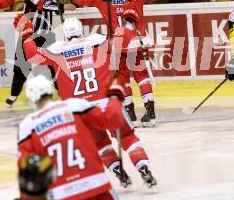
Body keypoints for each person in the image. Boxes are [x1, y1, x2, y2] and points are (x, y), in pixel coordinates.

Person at [15, 15, 158, 188]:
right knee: (127, 137)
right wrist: (128, 25)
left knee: (101, 143)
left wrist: (26, 34)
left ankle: (117, 171)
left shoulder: (56, 50)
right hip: (106, 105)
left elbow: (31, 55)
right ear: (81, 30)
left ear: (65, 34)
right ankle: (143, 167)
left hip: (80, 111)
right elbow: (126, 41)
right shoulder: (101, 42)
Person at [43, 0, 191, 127]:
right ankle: (150, 113)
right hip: (137, 41)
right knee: (141, 77)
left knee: (122, 78)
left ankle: (130, 115)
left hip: (119, 44)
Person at [17, 74, 125, 200]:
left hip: (61, 194)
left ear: (31, 101)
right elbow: (114, 120)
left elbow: (27, 171)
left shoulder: (28, 126)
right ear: (52, 92)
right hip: (97, 188)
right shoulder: (75, 106)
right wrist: (114, 95)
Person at [6, 0, 68, 107]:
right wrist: (59, 2)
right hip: (29, 35)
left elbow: (59, 8)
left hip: (46, 36)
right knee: (21, 66)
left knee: (55, 65)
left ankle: (63, 92)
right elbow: (43, 5)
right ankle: (13, 95)